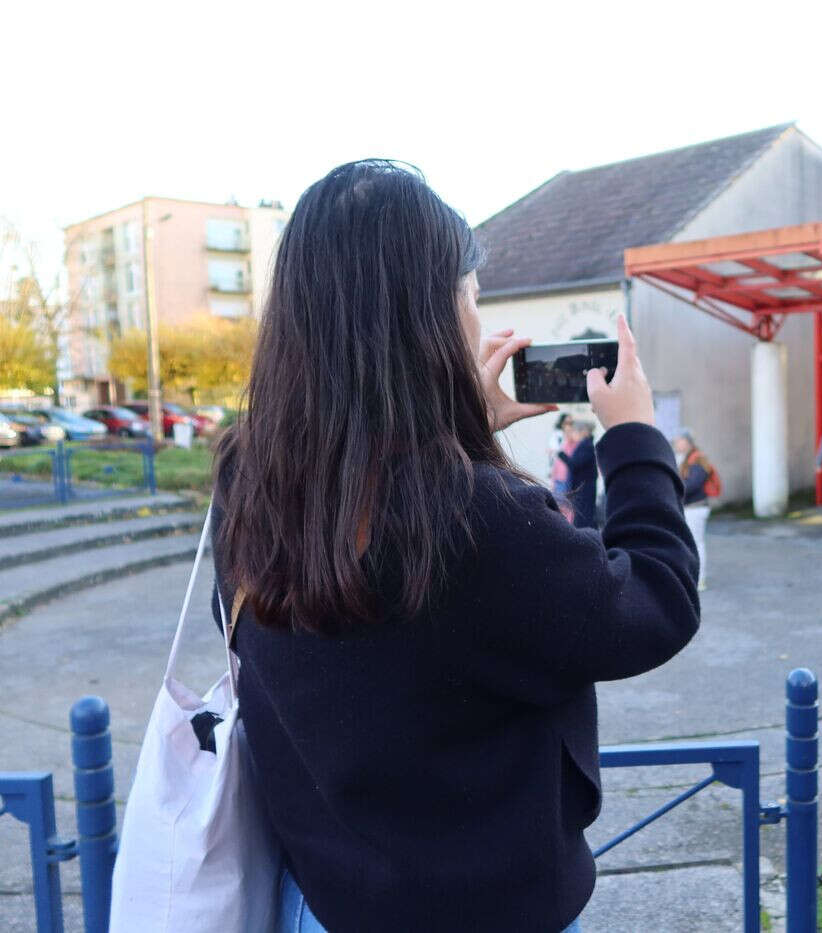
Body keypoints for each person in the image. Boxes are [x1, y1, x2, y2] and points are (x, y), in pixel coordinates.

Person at [210, 160, 700, 933]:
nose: (476, 317)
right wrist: (636, 438)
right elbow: (656, 603)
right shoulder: (472, 514)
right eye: (470, 295)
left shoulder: (250, 474)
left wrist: (453, 432)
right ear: (430, 319)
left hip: (324, 898)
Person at [672, 430, 713, 591]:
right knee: (688, 544)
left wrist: (672, 488)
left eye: (678, 441)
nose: (675, 444)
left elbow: (693, 484)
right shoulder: (684, 458)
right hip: (687, 508)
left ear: (687, 442)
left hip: (695, 509)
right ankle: (690, 576)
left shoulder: (697, 459)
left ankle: (700, 579)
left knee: (697, 543)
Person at [559, 420, 599, 529]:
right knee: (583, 514)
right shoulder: (585, 445)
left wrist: (561, 455)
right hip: (583, 486)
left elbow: (575, 464)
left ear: (583, 432)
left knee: (584, 516)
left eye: (575, 431)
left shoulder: (586, 446)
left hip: (584, 488)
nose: (573, 434)